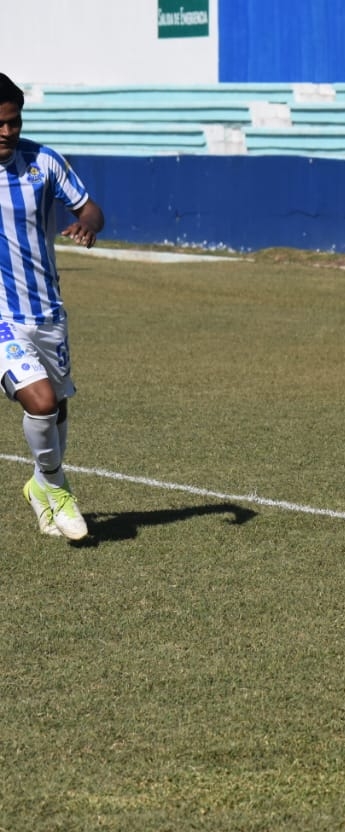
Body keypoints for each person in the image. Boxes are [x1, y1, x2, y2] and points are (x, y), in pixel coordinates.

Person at [0, 73, 103, 542]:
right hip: (3, 318)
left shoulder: (44, 161)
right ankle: (59, 489)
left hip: (49, 312)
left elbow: (89, 208)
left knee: (57, 410)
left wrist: (87, 226)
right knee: (40, 404)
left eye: (13, 122)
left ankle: (39, 489)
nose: (7, 132)